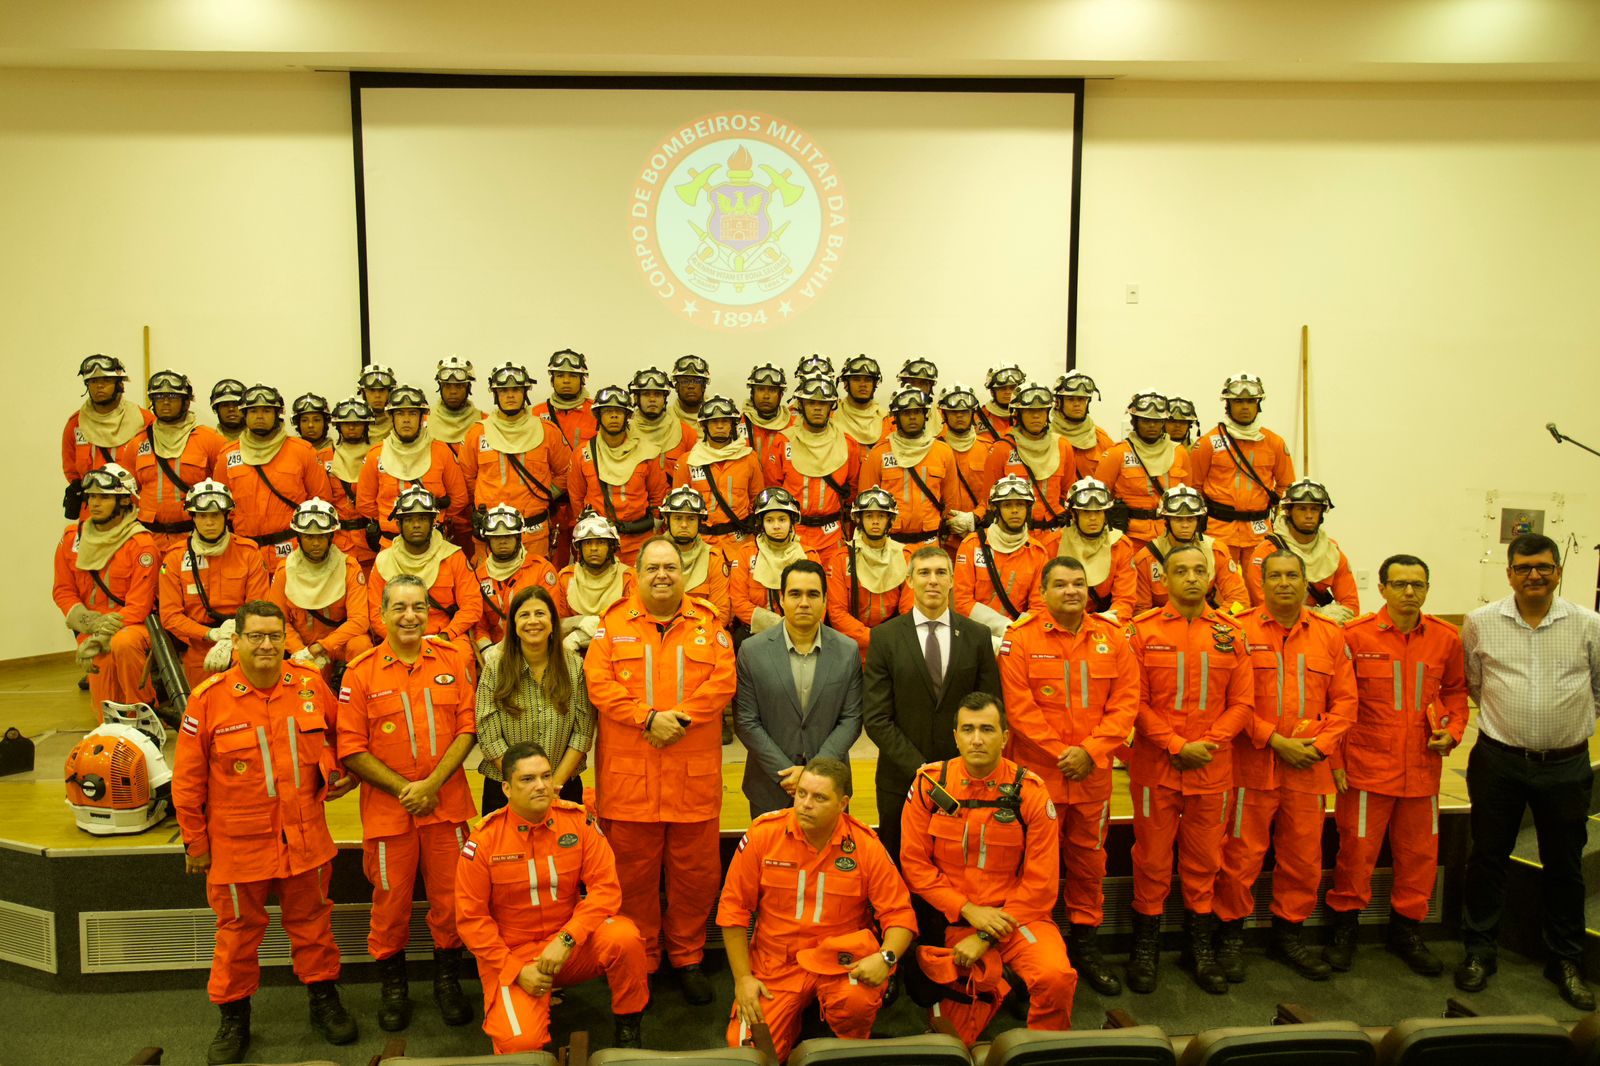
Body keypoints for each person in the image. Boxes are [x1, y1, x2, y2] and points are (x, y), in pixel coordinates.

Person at [172, 600, 359, 1064]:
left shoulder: (309, 685)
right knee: (236, 936)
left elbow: (341, 736)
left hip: (305, 837)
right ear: (236, 641)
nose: (266, 645)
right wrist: (195, 842)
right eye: (255, 636)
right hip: (237, 845)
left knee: (314, 927)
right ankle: (234, 1017)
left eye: (275, 636)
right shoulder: (208, 699)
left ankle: (323, 999)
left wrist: (334, 769)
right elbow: (187, 781)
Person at [585, 536, 738, 1004]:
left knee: (696, 877)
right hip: (629, 782)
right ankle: (645, 957)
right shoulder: (612, 625)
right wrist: (648, 718)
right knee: (632, 878)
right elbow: (598, 684)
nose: (662, 575)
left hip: (692, 778)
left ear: (684, 573)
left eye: (670, 567)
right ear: (636, 575)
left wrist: (678, 720)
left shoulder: (709, 625)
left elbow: (723, 682)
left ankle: (688, 956)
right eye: (652, 567)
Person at [1456, 533, 1600, 1010]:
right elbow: (1475, 684)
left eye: (1543, 567)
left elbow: (1599, 688)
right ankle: (1479, 952)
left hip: (1566, 766)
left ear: (1558, 571)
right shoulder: (1480, 623)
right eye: (1523, 567)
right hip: (1498, 762)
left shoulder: (1589, 624)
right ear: (1510, 574)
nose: (1533, 575)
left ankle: (1566, 960)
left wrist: (1565, 728)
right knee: (1486, 859)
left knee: (1566, 866)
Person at [338, 574, 478, 1033]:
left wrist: (431, 785)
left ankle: (447, 982)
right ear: (382, 614)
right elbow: (351, 749)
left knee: (452, 902)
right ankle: (393, 988)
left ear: (429, 613)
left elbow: (468, 728)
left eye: (418, 606)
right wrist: (408, 790)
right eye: (399, 607)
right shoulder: (360, 672)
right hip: (389, 814)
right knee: (390, 906)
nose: (410, 616)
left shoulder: (453, 660)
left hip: (446, 805)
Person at [996, 556, 1140, 996]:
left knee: (1089, 864)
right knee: (1032, 868)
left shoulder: (1113, 638)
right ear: (1042, 592)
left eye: (1079, 583)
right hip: (1039, 779)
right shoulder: (1020, 639)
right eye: (1061, 584)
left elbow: (1126, 703)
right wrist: (1064, 754)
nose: (1072, 591)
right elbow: (1019, 710)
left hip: (1092, 776)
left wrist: (1090, 752)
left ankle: (1085, 943)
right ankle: (1031, 951)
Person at [1213, 551, 1357, 983]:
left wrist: (1321, 746)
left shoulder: (1329, 635)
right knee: (1240, 857)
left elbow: (1346, 702)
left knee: (1304, 859)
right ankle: (1229, 937)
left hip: (1308, 767)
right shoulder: (1238, 631)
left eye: (1292, 575)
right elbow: (1229, 699)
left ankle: (1289, 934)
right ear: (1261, 583)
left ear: (1305, 581)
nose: (1283, 583)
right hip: (1251, 766)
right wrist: (1274, 740)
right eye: (1274, 576)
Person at [1324, 554, 1468, 976]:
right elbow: (1335, 702)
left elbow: (1456, 693)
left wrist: (1454, 731)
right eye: (1400, 584)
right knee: (1356, 854)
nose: (1409, 592)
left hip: (1422, 770)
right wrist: (1335, 760)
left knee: (1419, 857)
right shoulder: (1354, 636)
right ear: (1382, 588)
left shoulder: (1446, 638)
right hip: (1366, 769)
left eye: (1417, 585)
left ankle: (1407, 931)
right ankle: (1344, 929)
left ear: (1427, 589)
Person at [454, 741, 648, 1053]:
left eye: (546, 776)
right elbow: (471, 921)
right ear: (506, 789)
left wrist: (567, 939)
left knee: (625, 937)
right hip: (513, 955)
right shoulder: (484, 841)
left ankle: (629, 1028)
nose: (541, 785)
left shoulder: (578, 822)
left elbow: (605, 890)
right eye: (528, 779)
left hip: (567, 944)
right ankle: (529, 1002)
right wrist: (516, 971)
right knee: (521, 1046)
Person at [901, 695, 1077, 1038]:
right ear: (955, 736)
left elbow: (1041, 885)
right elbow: (915, 865)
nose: (977, 739)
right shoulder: (930, 785)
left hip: (1018, 918)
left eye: (987, 729)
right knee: (952, 1039)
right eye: (968, 730)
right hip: (956, 919)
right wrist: (967, 910)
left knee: (1056, 977)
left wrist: (986, 935)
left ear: (1005, 737)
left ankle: (1046, 1049)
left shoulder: (1031, 793)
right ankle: (1002, 981)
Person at [720, 757, 916, 1060]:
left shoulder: (865, 844)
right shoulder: (763, 834)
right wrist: (743, 979)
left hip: (841, 961)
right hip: (777, 963)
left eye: (819, 797)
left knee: (856, 1003)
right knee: (748, 1052)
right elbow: (733, 909)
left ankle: (846, 1046)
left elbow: (899, 914)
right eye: (802, 793)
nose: (806, 805)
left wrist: (885, 958)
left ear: (842, 803)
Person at [1124, 543, 1253, 995]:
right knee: (1151, 860)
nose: (1193, 578)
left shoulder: (1231, 633)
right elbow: (1134, 701)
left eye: (1200, 570)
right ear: (1164, 578)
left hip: (1212, 769)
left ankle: (1198, 947)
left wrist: (1207, 745)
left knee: (1205, 862)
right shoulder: (1140, 632)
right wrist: (1177, 745)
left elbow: (1242, 703)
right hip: (1155, 767)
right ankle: (1145, 947)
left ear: (1212, 577)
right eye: (1182, 570)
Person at [863, 545, 1002, 862]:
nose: (933, 580)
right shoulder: (884, 638)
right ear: (909, 580)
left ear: (952, 580)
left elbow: (991, 708)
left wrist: (957, 767)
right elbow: (876, 718)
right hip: (901, 780)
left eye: (941, 573)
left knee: (958, 865)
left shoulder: (977, 636)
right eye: (924, 573)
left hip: (965, 778)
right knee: (900, 866)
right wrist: (923, 771)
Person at [734, 560, 864, 817]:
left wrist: (813, 773)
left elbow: (851, 719)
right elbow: (746, 721)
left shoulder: (847, 650)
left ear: (825, 599)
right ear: (781, 599)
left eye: (813, 594)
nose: (804, 602)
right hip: (770, 786)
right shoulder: (751, 651)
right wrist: (785, 773)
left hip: (830, 786)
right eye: (795, 594)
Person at [475, 586, 597, 814]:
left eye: (540, 613)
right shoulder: (494, 668)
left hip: (563, 786)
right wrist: (525, 782)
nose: (533, 621)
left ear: (553, 622)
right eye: (524, 615)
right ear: (514, 624)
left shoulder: (575, 667)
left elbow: (582, 734)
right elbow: (489, 737)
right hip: (506, 788)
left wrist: (552, 785)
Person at [52, 464, 159, 711]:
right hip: (91, 627)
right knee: (105, 712)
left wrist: (102, 635)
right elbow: (63, 590)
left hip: (131, 627)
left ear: (124, 501)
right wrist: (91, 627)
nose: (95, 503)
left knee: (123, 643)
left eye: (104, 497)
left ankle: (143, 712)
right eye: (91, 496)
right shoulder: (71, 538)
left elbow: (139, 606)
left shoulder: (141, 544)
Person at [159, 480, 271, 685]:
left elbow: (258, 607)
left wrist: (232, 637)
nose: (209, 522)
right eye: (202, 516)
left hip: (243, 640)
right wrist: (210, 634)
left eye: (215, 515)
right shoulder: (174, 558)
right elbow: (170, 616)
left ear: (226, 516)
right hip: (197, 645)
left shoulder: (249, 553)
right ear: (193, 517)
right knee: (200, 698)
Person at [213, 384, 334, 572]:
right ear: (244, 414)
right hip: (244, 553)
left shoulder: (302, 452)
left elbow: (322, 501)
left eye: (267, 410)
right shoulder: (227, 456)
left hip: (295, 553)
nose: (260, 416)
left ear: (278, 414)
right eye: (253, 411)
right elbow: (218, 507)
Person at [460, 362, 573, 563]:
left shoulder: (547, 432)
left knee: (534, 580)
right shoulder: (477, 433)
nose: (510, 395)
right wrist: (482, 503)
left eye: (516, 390)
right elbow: (467, 478)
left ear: (525, 392)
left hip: (533, 534)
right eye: (504, 391)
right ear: (495, 394)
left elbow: (566, 472)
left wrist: (546, 495)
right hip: (491, 534)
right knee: (488, 582)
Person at [1187, 374, 1295, 568]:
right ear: (1228, 404)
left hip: (1259, 534)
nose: (1245, 407)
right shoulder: (1208, 443)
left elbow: (1287, 487)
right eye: (1238, 401)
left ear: (1258, 404)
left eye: (1250, 401)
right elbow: (1194, 488)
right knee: (1219, 585)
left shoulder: (1274, 443)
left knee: (1260, 585)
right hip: (1217, 532)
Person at [119, 369, 227, 556]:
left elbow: (227, 488)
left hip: (195, 538)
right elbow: (126, 492)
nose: (166, 402)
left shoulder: (210, 440)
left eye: (173, 397)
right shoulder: (138, 443)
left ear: (186, 402)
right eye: (159, 397)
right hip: (149, 539)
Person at [368, 486, 482, 662]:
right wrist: (402, 638)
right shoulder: (383, 561)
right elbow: (377, 613)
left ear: (433, 522)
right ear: (398, 525)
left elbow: (472, 605)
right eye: (409, 519)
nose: (416, 525)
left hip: (444, 635)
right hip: (398, 636)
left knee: (463, 656)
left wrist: (447, 634)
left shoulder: (452, 556)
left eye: (422, 518)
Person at [267, 498, 372, 679]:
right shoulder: (285, 571)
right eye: (309, 537)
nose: (316, 543)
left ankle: (356, 689)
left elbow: (360, 620)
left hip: (338, 644)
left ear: (331, 536)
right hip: (302, 647)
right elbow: (278, 621)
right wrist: (299, 651)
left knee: (361, 644)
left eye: (321, 536)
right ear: (299, 537)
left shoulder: (349, 567)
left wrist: (323, 646)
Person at [358, 383, 471, 548]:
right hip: (391, 545)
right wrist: (392, 522)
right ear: (392, 417)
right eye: (400, 413)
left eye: (412, 413)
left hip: (434, 543)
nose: (406, 419)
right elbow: (364, 503)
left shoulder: (441, 452)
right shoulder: (376, 455)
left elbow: (459, 498)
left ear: (421, 417)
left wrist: (436, 519)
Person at [568, 385, 668, 564]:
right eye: (608, 411)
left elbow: (658, 495)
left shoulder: (647, 453)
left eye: (619, 411)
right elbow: (576, 497)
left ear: (627, 415)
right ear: (598, 416)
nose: (613, 416)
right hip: (598, 542)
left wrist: (652, 524)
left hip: (640, 541)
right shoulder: (583, 454)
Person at [1245, 478, 1359, 622]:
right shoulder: (1265, 553)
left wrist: (1312, 619)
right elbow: (1264, 607)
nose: (1309, 515)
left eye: (1314, 509)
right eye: (1302, 509)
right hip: (1273, 629)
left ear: (1321, 513)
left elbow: (1351, 608)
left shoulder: (1332, 553)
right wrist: (1320, 614)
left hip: (1319, 630)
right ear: (1288, 511)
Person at [859, 387, 955, 552]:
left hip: (929, 543)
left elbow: (952, 501)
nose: (912, 417)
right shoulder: (879, 453)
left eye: (917, 412)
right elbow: (865, 502)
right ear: (895, 417)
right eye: (906, 413)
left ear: (925, 414)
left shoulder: (943, 452)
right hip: (890, 545)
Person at [1130, 486, 1249, 616]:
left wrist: (1215, 620)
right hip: (1164, 623)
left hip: (1207, 620)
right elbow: (1141, 611)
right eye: (1178, 519)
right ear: (1166, 521)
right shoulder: (1146, 558)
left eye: (1190, 519)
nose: (1185, 525)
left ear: (1198, 521)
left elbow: (1239, 599)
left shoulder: (1216, 551)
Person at [953, 475, 1048, 637]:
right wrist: (1005, 627)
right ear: (995, 508)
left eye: (1020, 504)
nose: (1015, 510)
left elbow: (1039, 606)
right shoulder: (971, 545)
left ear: (1028, 509)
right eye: (1007, 505)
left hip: (1019, 636)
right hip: (975, 635)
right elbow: (962, 602)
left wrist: (1016, 631)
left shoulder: (1038, 553)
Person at [780, 375, 860, 567]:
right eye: (811, 403)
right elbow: (772, 487)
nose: (817, 408)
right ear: (801, 405)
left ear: (831, 406)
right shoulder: (783, 442)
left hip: (832, 536)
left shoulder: (848, 444)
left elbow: (854, 491)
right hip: (792, 535)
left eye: (823, 403)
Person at [1095, 391, 1191, 550]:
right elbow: (1099, 498)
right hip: (1130, 537)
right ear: (1134, 421)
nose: (1152, 425)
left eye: (1157, 420)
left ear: (1164, 421)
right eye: (1146, 420)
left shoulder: (1179, 453)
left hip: (1171, 535)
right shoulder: (1117, 454)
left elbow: (1189, 495)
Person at [670, 394, 765, 554]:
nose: (720, 426)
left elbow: (757, 500)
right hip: (700, 544)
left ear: (733, 425)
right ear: (704, 425)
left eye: (725, 421)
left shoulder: (749, 458)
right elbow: (678, 506)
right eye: (714, 421)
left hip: (740, 543)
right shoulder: (688, 461)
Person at [825, 487, 912, 658]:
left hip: (894, 645)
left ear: (890, 520)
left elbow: (909, 610)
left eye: (881, 516)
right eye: (869, 516)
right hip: (852, 648)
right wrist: (872, 639)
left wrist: (890, 640)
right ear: (859, 519)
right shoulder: (841, 559)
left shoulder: (905, 557)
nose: (875, 522)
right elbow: (837, 613)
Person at [983, 384, 1073, 549]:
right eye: (1029, 411)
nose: (1036, 416)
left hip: (1055, 536)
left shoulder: (1062, 446)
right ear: (1017, 413)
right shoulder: (1002, 448)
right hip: (1015, 537)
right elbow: (988, 499)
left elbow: (1068, 493)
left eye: (1041, 410)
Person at [62, 354, 153, 518]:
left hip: (132, 514)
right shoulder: (76, 424)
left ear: (119, 384)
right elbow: (72, 471)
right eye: (93, 381)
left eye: (106, 380)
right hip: (92, 515)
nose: (99, 386)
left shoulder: (145, 421)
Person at [731, 487, 820, 637]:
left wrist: (798, 629)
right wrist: (778, 624)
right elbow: (739, 602)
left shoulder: (809, 556)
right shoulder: (745, 554)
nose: (776, 526)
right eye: (769, 520)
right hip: (756, 632)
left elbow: (818, 602)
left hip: (799, 632)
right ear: (761, 523)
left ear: (791, 522)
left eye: (782, 519)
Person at [471, 505, 558, 655]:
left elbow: (550, 618)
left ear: (518, 537)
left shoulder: (542, 570)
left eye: (508, 536)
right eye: (496, 537)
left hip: (536, 647)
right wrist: (487, 649)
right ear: (488, 539)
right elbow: (478, 626)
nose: (502, 542)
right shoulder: (478, 577)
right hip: (494, 652)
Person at [553, 510, 636, 653]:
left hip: (617, 650)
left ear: (612, 546)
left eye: (601, 542)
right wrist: (579, 621)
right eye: (587, 543)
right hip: (573, 653)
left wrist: (581, 636)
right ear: (579, 547)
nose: (593, 548)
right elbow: (555, 624)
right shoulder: (566, 577)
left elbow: (634, 623)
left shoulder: (628, 577)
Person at [1056, 476, 1137, 622]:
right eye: (1086, 512)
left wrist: (1106, 621)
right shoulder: (1054, 544)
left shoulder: (1120, 545)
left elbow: (1125, 599)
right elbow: (1043, 598)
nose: (1093, 518)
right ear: (1073, 514)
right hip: (1062, 619)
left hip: (1106, 620)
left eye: (1098, 511)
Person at [659, 485, 732, 624]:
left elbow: (721, 614)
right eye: (678, 518)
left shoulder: (712, 558)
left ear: (700, 522)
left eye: (691, 519)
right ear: (666, 519)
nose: (684, 524)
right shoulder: (650, 555)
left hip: (701, 631)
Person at [324, 397, 378, 569]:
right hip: (337, 542)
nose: (352, 427)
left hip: (371, 540)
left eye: (357, 423)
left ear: (366, 425)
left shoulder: (378, 455)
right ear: (338, 426)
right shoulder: (325, 456)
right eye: (346, 423)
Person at [936, 385, 992, 552]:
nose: (959, 416)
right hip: (942, 538)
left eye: (964, 411)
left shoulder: (989, 449)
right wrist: (945, 521)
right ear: (944, 414)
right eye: (953, 412)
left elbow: (994, 494)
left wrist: (975, 517)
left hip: (978, 535)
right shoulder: (933, 449)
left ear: (973, 414)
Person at [630, 366, 697, 469]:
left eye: (657, 394)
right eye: (646, 394)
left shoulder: (686, 433)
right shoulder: (626, 433)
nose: (652, 399)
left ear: (664, 398)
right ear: (636, 398)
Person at [533, 348, 598, 452]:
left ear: (582, 380)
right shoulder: (535, 415)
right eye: (560, 375)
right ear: (552, 380)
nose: (566, 380)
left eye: (573, 376)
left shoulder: (597, 412)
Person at [1051, 372, 1112, 480]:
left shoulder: (1100, 438)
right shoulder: (1046, 438)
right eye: (1071, 399)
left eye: (1081, 399)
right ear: (1058, 402)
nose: (1077, 404)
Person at [741, 363, 793, 485]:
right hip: (749, 494)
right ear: (752, 393)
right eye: (760, 389)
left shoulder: (792, 427)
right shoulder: (736, 426)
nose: (766, 396)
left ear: (781, 395)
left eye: (772, 390)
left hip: (782, 494)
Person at [429, 355, 485, 461]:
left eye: (459, 386)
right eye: (447, 385)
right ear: (440, 387)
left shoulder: (485, 422)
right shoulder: (423, 422)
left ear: (468, 387)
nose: (453, 391)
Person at [836, 354, 887, 450]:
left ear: (874, 384)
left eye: (868, 380)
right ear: (846, 383)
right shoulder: (831, 417)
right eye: (856, 379)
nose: (863, 384)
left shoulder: (887, 419)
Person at [891, 357, 943, 437]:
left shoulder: (944, 417)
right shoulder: (890, 419)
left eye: (923, 383)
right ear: (903, 385)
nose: (918, 388)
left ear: (930, 387)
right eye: (913, 382)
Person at [973, 363, 1024, 444]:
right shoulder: (976, 418)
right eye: (1002, 388)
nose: (1008, 392)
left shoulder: (1027, 416)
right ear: (992, 392)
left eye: (1012, 387)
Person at [358, 363, 397, 442]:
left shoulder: (399, 423)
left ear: (390, 393)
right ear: (363, 393)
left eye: (382, 390)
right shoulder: (354, 426)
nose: (377, 395)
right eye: (372, 390)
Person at [670, 353, 711, 424]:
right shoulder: (666, 419)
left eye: (696, 381)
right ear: (676, 387)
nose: (691, 386)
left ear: (704, 386)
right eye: (685, 381)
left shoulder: (717, 421)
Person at [209, 378, 247, 443]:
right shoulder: (207, 442)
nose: (231, 409)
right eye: (225, 405)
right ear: (216, 409)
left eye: (236, 404)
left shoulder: (261, 441)